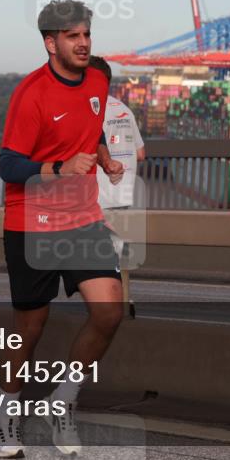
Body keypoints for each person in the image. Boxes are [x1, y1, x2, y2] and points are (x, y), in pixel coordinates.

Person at [0, 0, 125, 458]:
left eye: (86, 34)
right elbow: (8, 165)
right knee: (30, 327)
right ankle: (7, 411)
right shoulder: (31, 94)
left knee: (109, 311)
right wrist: (59, 168)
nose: (83, 43)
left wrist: (104, 157)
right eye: (73, 37)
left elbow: (92, 127)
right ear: (51, 43)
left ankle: (62, 400)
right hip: (31, 221)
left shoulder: (99, 80)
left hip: (81, 218)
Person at [88, 56, 146, 308]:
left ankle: (107, 305)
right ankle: (120, 301)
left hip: (98, 195)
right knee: (118, 253)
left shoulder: (89, 111)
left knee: (95, 255)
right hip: (124, 193)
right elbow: (141, 153)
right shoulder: (124, 109)